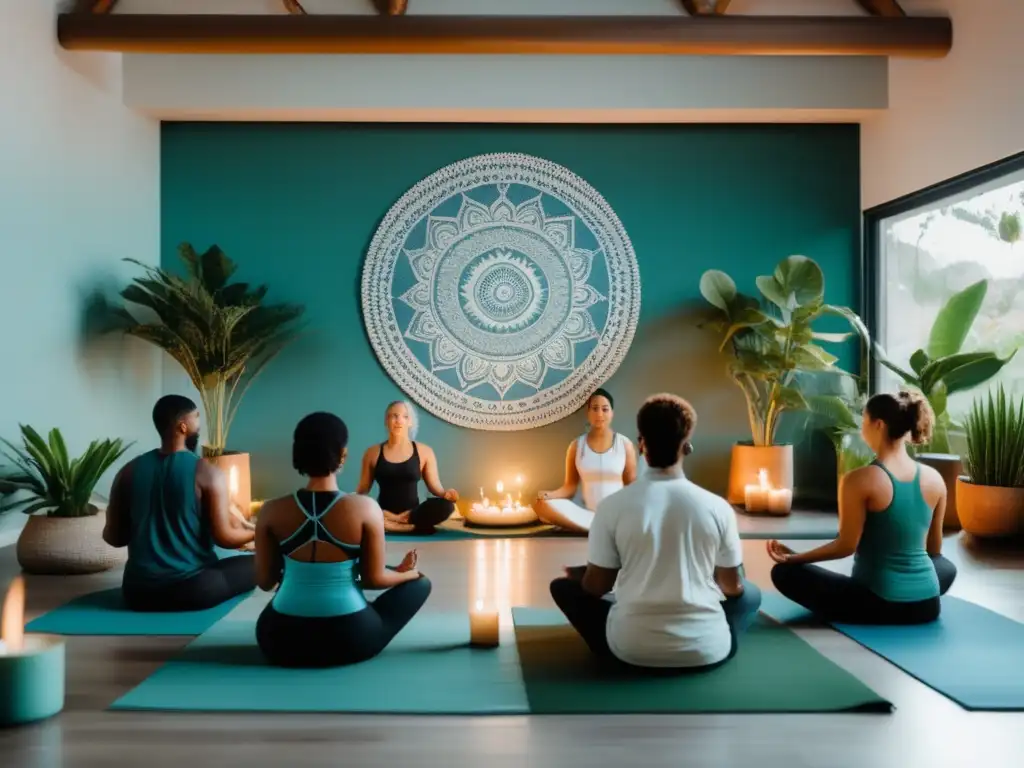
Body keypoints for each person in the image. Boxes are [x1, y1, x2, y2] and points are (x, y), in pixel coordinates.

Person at [549, 393, 762, 673]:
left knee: (562, 587)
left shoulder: (612, 507)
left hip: (629, 651)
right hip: (708, 651)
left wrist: (587, 573)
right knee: (752, 594)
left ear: (641, 444)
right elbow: (731, 588)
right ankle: (704, 632)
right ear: (687, 446)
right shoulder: (718, 507)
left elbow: (596, 587)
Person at [254, 412, 431, 667]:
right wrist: (409, 574)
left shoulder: (271, 510)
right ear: (343, 455)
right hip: (350, 637)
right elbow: (373, 578)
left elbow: (264, 581)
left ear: (297, 454)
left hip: (280, 639)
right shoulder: (365, 508)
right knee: (421, 584)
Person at [767, 390, 957, 625]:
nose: (861, 428)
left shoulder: (859, 480)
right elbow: (934, 551)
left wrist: (795, 559)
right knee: (946, 567)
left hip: (877, 604)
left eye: (864, 421)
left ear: (878, 425)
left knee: (784, 573)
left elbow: (845, 546)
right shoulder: (935, 479)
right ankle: (917, 590)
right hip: (927, 606)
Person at [103, 395, 256, 612]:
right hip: (191, 591)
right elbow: (226, 538)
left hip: (137, 593)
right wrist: (258, 532)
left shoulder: (128, 471)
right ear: (183, 426)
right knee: (259, 564)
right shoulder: (208, 473)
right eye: (196, 418)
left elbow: (114, 538)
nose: (199, 424)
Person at [536, 389, 639, 533]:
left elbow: (631, 485)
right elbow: (569, 487)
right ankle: (597, 528)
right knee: (542, 506)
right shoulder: (576, 446)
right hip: (586, 515)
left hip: (618, 513)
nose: (599, 414)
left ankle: (605, 528)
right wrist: (549, 496)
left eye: (605, 409)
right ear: (588, 412)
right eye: (595, 409)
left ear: (612, 413)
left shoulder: (625, 444)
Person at [356, 401, 458, 534]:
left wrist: (447, 494)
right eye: (394, 416)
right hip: (383, 513)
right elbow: (363, 489)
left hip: (414, 515)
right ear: (386, 421)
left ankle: (396, 524)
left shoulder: (424, 451)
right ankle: (403, 526)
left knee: (447, 506)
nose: (398, 420)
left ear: (410, 422)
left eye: (405, 416)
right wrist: (350, 501)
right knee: (358, 506)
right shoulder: (372, 453)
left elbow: (435, 488)